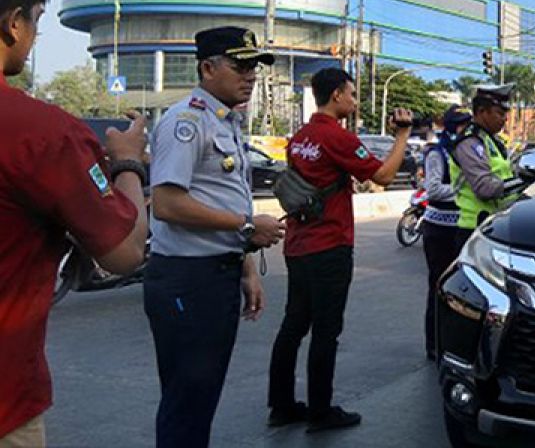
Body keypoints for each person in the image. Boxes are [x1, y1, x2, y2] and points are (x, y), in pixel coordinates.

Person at [0, 0, 149, 448]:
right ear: (13, 24)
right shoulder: (46, 136)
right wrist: (127, 162)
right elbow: (125, 253)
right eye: (37, 21)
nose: (36, 37)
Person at [145, 27, 285, 448]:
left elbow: (225, 197)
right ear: (208, 68)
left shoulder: (225, 121)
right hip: (188, 281)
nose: (251, 76)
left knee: (201, 398)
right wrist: (245, 228)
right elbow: (167, 204)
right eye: (240, 65)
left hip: (216, 275)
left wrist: (246, 269)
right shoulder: (185, 122)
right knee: (187, 402)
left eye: (254, 67)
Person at [268, 68, 413, 432]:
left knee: (293, 325)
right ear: (335, 95)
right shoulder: (337, 137)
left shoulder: (301, 136)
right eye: (350, 93)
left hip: (298, 245)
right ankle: (320, 411)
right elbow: (381, 176)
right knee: (326, 331)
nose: (353, 100)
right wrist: (402, 136)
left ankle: (282, 405)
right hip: (329, 245)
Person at [420, 105, 474, 360]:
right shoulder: (437, 153)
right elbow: (432, 190)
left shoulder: (465, 152)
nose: (465, 129)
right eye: (461, 125)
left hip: (461, 226)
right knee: (438, 287)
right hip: (439, 228)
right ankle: (434, 343)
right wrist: (463, 191)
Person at [450, 84, 518, 250]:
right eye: (500, 114)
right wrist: (521, 182)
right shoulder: (470, 142)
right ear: (481, 112)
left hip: (495, 224)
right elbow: (485, 188)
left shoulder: (492, 141)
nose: (504, 119)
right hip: (474, 228)